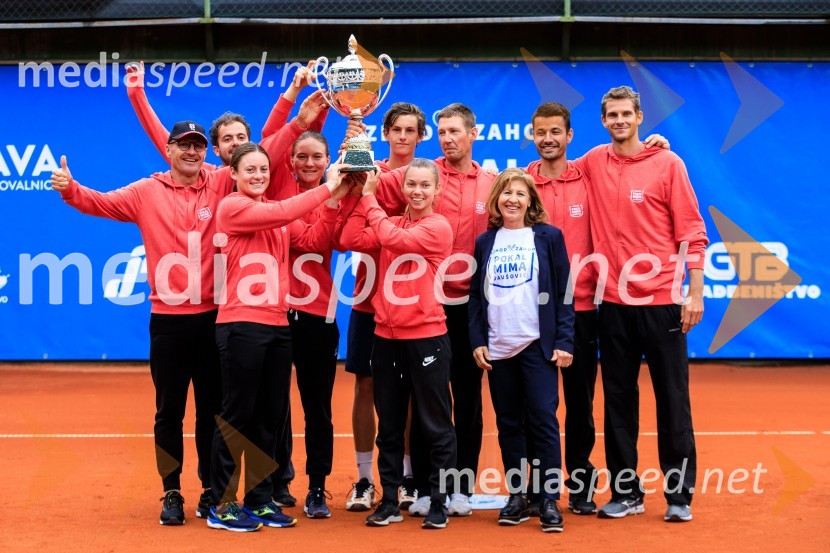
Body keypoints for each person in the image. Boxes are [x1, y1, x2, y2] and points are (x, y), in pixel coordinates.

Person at [49, 93, 328, 526]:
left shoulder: (220, 182)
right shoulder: (146, 191)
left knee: (215, 412)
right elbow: (100, 203)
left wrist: (298, 121)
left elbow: (261, 157)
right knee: (168, 412)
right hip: (169, 321)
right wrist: (72, 191)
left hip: (215, 316)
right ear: (169, 148)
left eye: (199, 144)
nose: (193, 150)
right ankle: (171, 491)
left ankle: (211, 493)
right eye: (185, 144)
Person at [576, 86, 707, 522]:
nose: (618, 121)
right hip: (612, 303)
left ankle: (679, 495)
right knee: (618, 401)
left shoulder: (668, 163)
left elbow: (692, 232)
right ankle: (627, 492)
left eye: (625, 114)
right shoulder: (593, 161)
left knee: (673, 399)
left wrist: (695, 291)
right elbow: (551, 174)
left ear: (639, 116)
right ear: (603, 120)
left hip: (663, 302)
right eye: (611, 114)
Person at [207, 143, 351, 532]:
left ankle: (259, 499)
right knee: (238, 414)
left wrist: (335, 199)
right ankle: (221, 504)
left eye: (263, 170)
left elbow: (314, 238)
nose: (257, 176)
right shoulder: (233, 207)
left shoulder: (275, 214)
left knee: (269, 417)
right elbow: (284, 210)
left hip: (277, 323)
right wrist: (325, 188)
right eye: (249, 169)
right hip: (240, 323)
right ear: (234, 174)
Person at [376, 103, 494, 517]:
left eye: (455, 131)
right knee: (426, 401)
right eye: (442, 131)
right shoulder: (423, 175)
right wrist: (356, 147)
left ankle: (461, 486)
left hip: (471, 307)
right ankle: (426, 486)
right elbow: (367, 178)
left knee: (467, 397)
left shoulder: (492, 183)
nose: (448, 138)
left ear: (473, 133)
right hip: (425, 305)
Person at [340, 158, 456, 530]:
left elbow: (393, 240)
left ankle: (439, 500)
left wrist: (370, 198)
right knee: (389, 425)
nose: (418, 192)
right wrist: (359, 196)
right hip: (385, 337)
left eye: (425, 185)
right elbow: (349, 239)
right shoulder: (392, 221)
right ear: (403, 189)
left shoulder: (437, 227)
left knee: (436, 423)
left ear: (438, 190)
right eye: (412, 185)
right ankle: (389, 500)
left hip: (426, 337)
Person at [468, 168, 574, 532]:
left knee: (543, 420)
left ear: (531, 200)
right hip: (499, 346)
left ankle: (547, 499)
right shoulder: (485, 242)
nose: (512, 199)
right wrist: (478, 339)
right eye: (505, 193)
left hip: (536, 345)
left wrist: (563, 339)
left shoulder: (548, 237)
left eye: (519, 193)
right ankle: (517, 495)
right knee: (509, 423)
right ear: (496, 198)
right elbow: (475, 298)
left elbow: (564, 292)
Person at [341, 102, 426, 513]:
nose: (404, 137)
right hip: (368, 295)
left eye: (412, 130)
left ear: (420, 136)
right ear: (387, 133)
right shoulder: (369, 170)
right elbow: (345, 217)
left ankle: (407, 477)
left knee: (408, 392)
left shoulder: (429, 176)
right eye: (398, 130)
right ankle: (363, 479)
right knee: (366, 384)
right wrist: (353, 138)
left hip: (412, 300)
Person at [125, 60, 326, 170]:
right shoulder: (209, 177)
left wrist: (298, 94)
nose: (235, 143)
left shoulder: (265, 170)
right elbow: (167, 145)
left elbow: (275, 134)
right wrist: (137, 95)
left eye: (241, 137)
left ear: (252, 143)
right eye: (227, 139)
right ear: (216, 150)